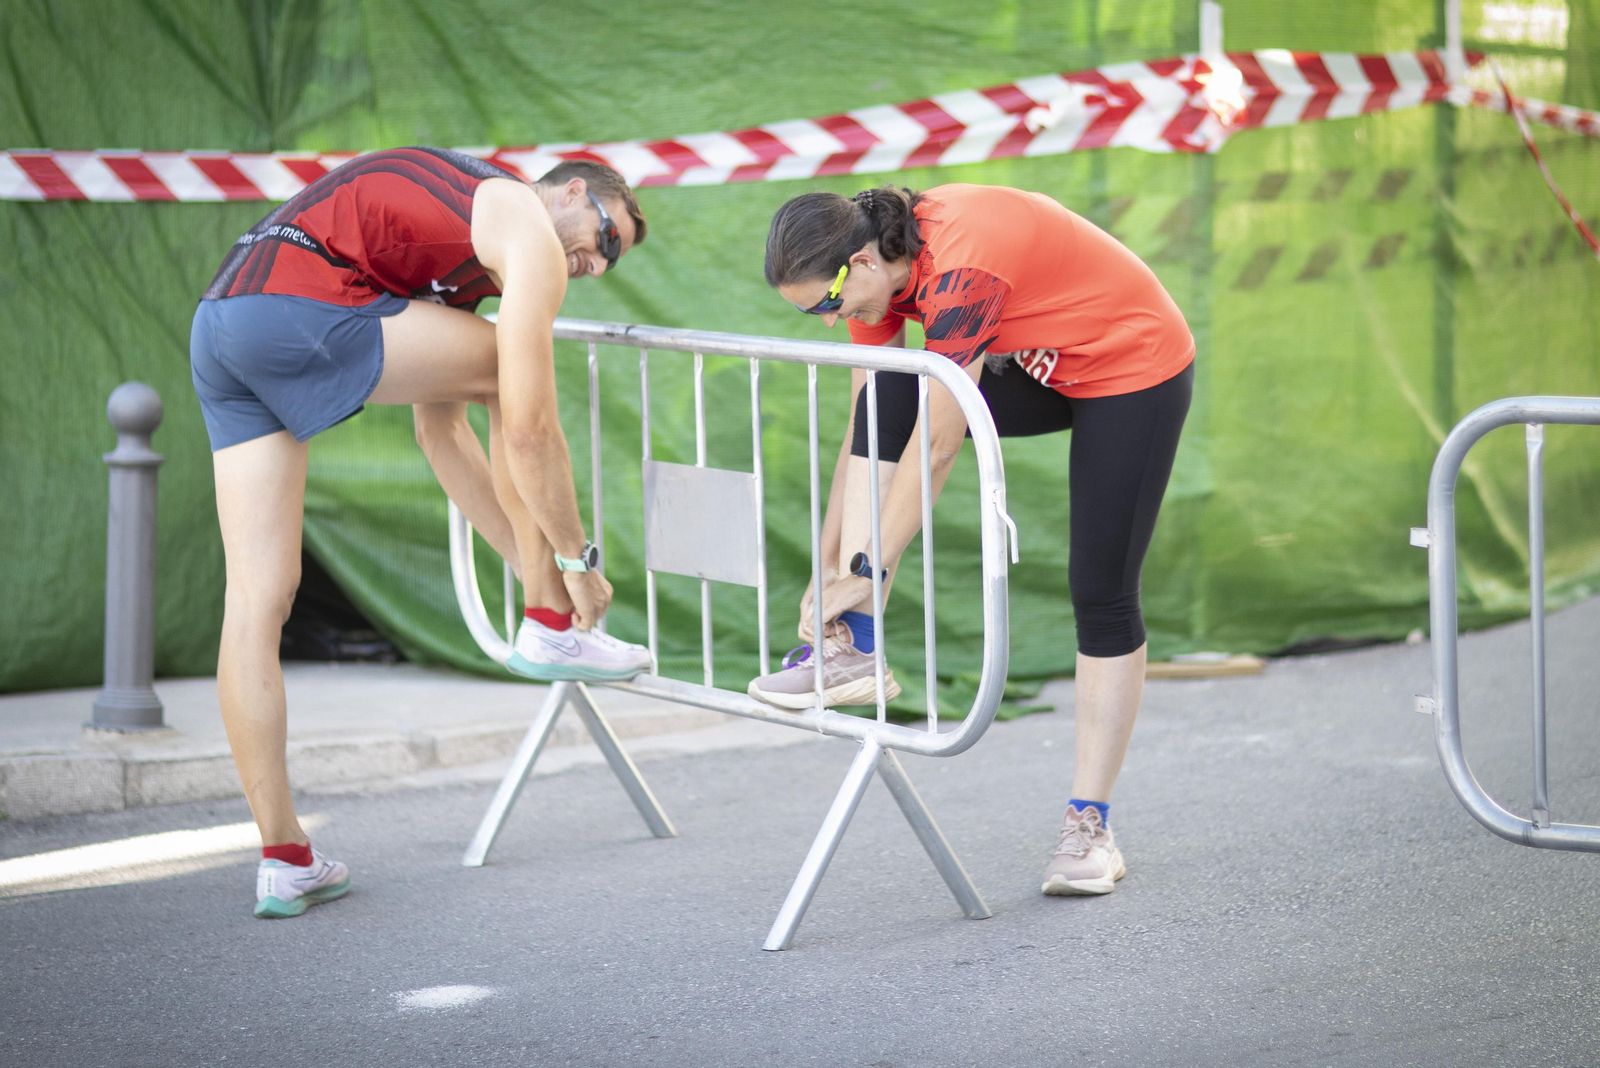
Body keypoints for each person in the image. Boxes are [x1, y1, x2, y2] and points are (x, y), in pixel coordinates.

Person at [190, 147, 655, 918]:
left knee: (256, 599)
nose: (598, 266)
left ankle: (284, 858)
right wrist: (575, 564)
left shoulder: (460, 268)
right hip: (296, 303)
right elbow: (531, 428)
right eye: (608, 238)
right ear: (573, 191)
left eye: (614, 263)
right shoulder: (523, 224)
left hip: (223, 327)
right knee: (513, 378)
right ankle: (545, 622)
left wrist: (521, 554)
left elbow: (440, 438)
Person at [752, 183, 1193, 897]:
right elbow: (874, 419)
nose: (831, 323)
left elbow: (938, 444)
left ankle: (1090, 828)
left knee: (1101, 589)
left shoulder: (961, 267)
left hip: (1131, 366)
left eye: (825, 307)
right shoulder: (881, 281)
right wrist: (827, 559)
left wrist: (867, 570)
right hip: (1044, 364)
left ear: (859, 261)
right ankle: (854, 647)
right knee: (892, 391)